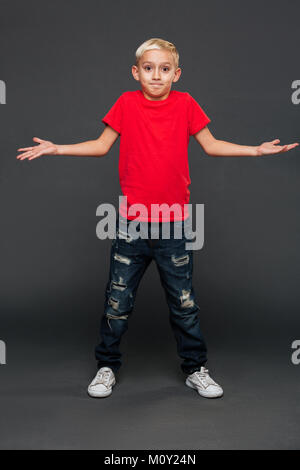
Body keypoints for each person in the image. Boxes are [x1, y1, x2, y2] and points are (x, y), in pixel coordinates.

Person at [16, 38, 299, 400]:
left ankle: (196, 369)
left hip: (175, 225)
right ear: (136, 72)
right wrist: (58, 148)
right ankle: (107, 366)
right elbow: (101, 145)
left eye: (165, 69)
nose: (156, 75)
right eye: (148, 68)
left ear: (176, 74)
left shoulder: (185, 104)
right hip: (130, 225)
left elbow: (211, 145)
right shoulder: (126, 103)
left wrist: (256, 150)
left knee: (184, 302)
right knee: (117, 301)